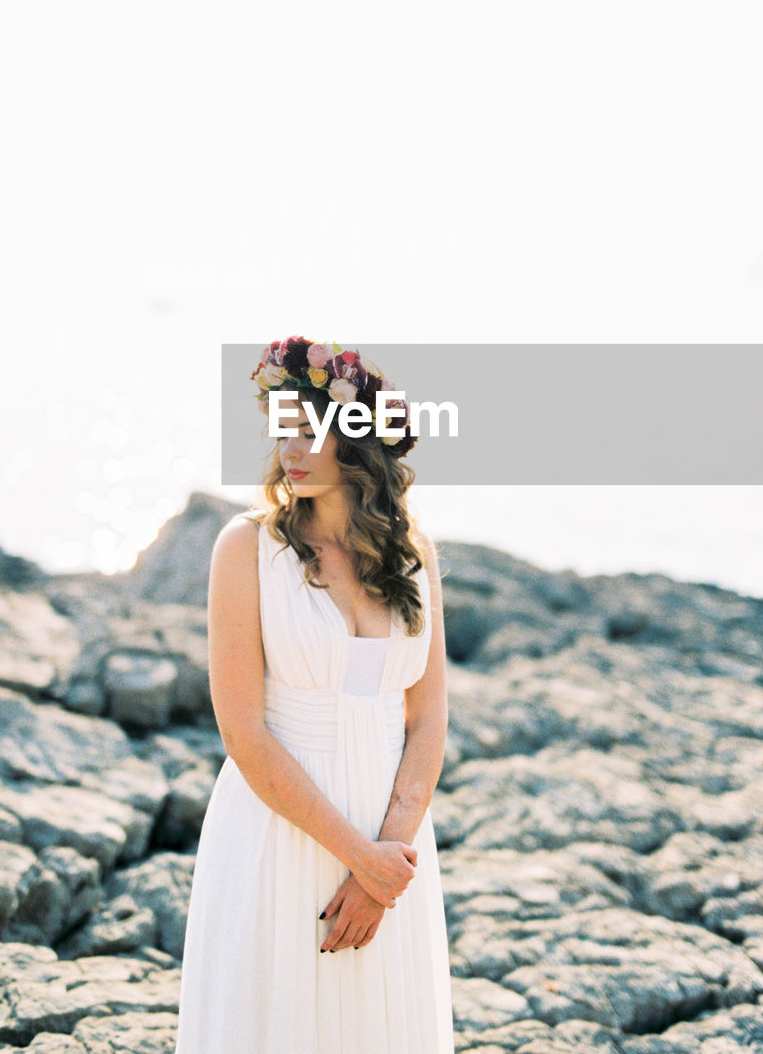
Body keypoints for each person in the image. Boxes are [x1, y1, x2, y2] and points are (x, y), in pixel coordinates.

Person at [174, 337, 455, 1053]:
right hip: (281, 830)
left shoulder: (411, 550)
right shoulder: (248, 549)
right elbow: (243, 733)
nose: (290, 448)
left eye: (310, 430)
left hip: (395, 844)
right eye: (282, 430)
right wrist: (355, 855)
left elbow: (426, 720)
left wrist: (386, 861)